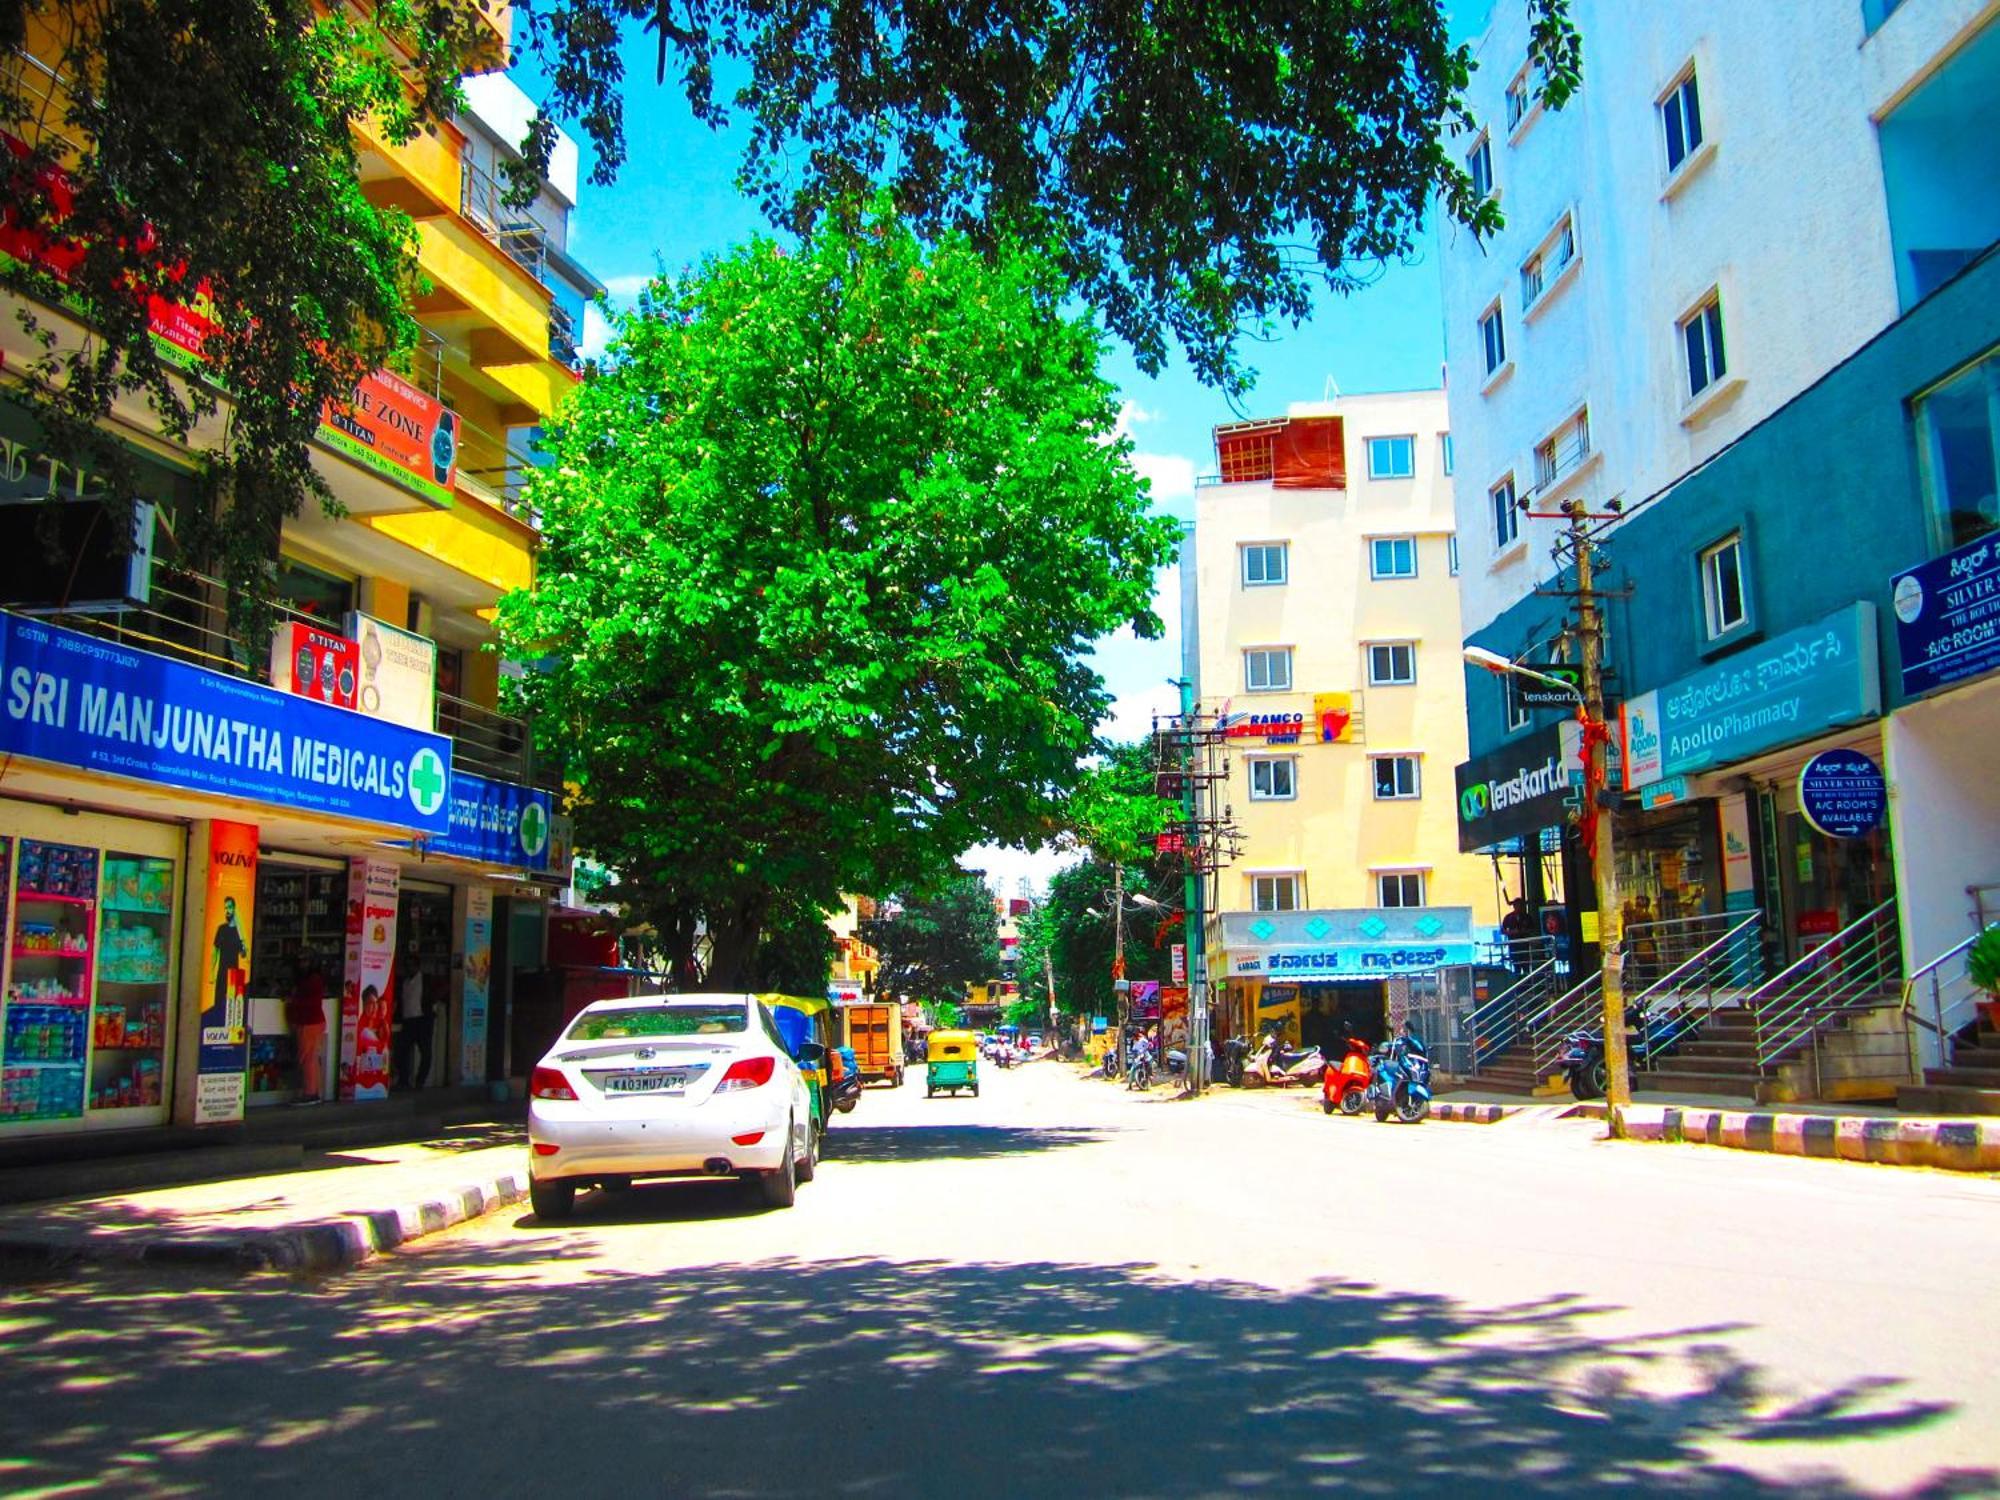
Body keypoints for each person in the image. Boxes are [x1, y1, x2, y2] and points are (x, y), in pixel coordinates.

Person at [287, 963, 328, 1104]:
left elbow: (308, 1002)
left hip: (309, 1023)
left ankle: (310, 1093)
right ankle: (314, 1092)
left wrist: (293, 999)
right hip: (312, 1022)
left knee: (308, 1059)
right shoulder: (314, 979)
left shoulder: (312, 981)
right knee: (312, 1058)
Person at [206, 895, 247, 1031]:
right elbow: (214, 952)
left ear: (234, 909)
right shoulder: (221, 929)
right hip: (222, 972)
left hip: (234, 975)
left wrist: (244, 945)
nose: (227, 911)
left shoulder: (239, 931)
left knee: (233, 1008)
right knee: (218, 1005)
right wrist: (211, 972)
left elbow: (244, 955)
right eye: (225, 908)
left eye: (229, 907)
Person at [395, 958, 434, 1091]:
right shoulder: (404, 982)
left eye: (411, 966)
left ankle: (420, 1081)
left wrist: (431, 1005)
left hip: (422, 1021)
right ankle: (404, 1080)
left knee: (426, 1053)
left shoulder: (426, 980)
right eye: (407, 966)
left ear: (418, 967)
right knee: (400, 1051)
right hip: (408, 1021)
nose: (409, 969)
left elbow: (440, 988)